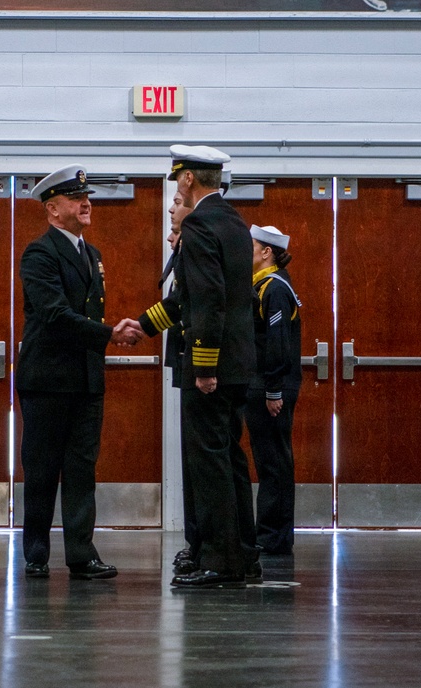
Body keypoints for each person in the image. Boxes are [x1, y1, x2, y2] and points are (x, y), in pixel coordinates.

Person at [16, 164, 141, 581]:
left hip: (87, 380)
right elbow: (54, 314)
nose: (85, 204)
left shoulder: (93, 254)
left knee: (82, 470)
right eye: (75, 198)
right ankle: (35, 553)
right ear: (53, 209)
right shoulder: (39, 253)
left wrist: (106, 336)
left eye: (86, 197)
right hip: (48, 380)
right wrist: (110, 334)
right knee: (42, 469)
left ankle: (81, 554)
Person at [165, 145, 259, 590]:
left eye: (177, 178)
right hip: (239, 362)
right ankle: (244, 552)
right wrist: (145, 324)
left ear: (188, 179)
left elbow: (207, 300)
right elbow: (193, 299)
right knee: (231, 457)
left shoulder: (200, 223)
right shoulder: (234, 221)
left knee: (209, 463)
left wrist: (202, 367)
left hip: (213, 365)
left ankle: (219, 560)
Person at [132, 192, 200, 574]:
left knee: (205, 464)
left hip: (203, 371)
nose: (171, 209)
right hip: (188, 365)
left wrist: (138, 327)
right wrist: (141, 326)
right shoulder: (186, 249)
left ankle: (208, 547)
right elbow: (176, 305)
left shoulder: (199, 245)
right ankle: (200, 543)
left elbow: (191, 307)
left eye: (176, 201)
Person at [247, 225, 302, 556]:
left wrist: (273, 391)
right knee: (269, 460)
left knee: (274, 462)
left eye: (251, 246)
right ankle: (270, 532)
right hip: (267, 383)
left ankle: (273, 536)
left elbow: (277, 344)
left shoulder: (274, 288)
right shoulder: (262, 285)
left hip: (271, 386)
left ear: (266, 252)